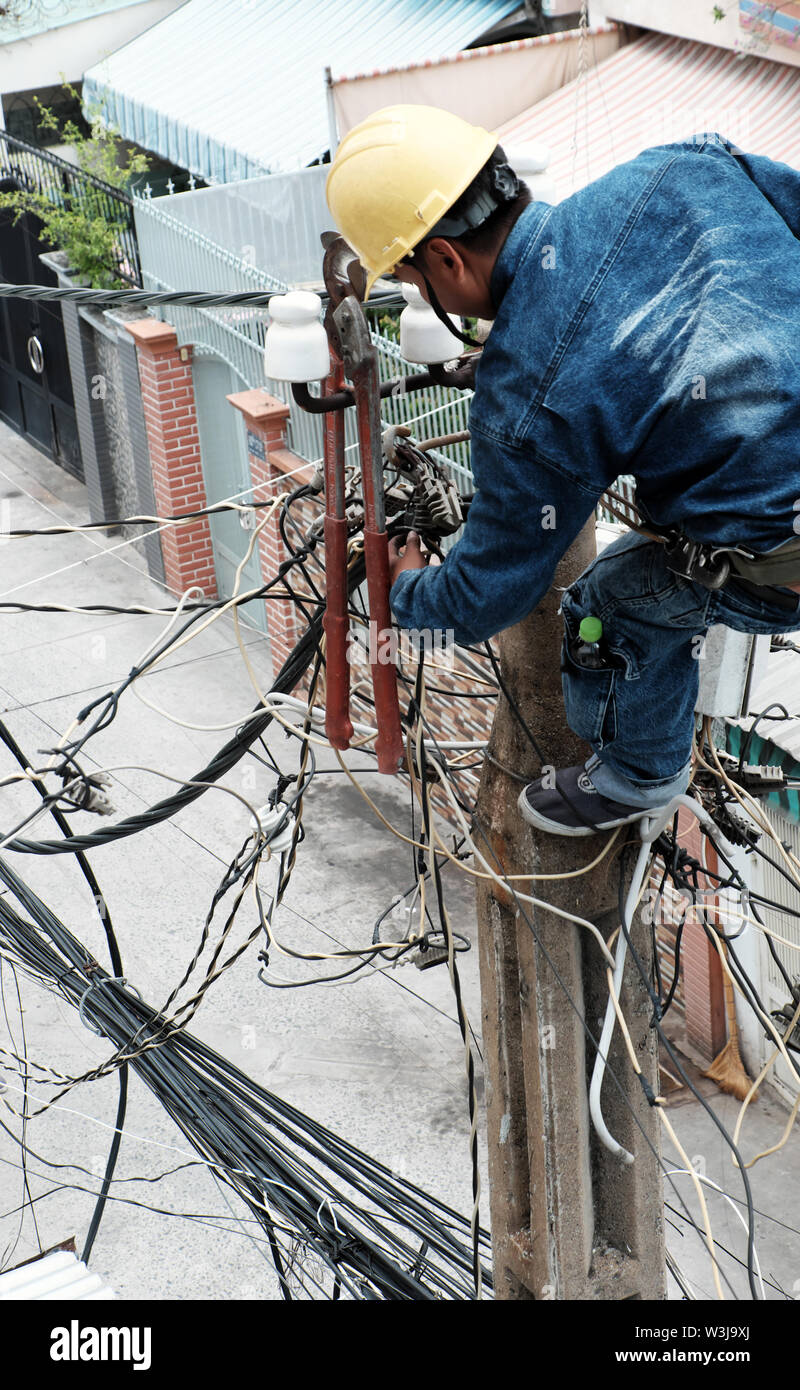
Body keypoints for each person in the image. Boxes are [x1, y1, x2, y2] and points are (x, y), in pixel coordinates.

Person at [325, 105, 800, 836]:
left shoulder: (525, 399)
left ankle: (640, 778)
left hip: (781, 559)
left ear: (446, 259)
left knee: (609, 601)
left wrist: (402, 592)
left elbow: (487, 595)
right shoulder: (679, 161)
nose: (425, 296)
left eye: (415, 281)